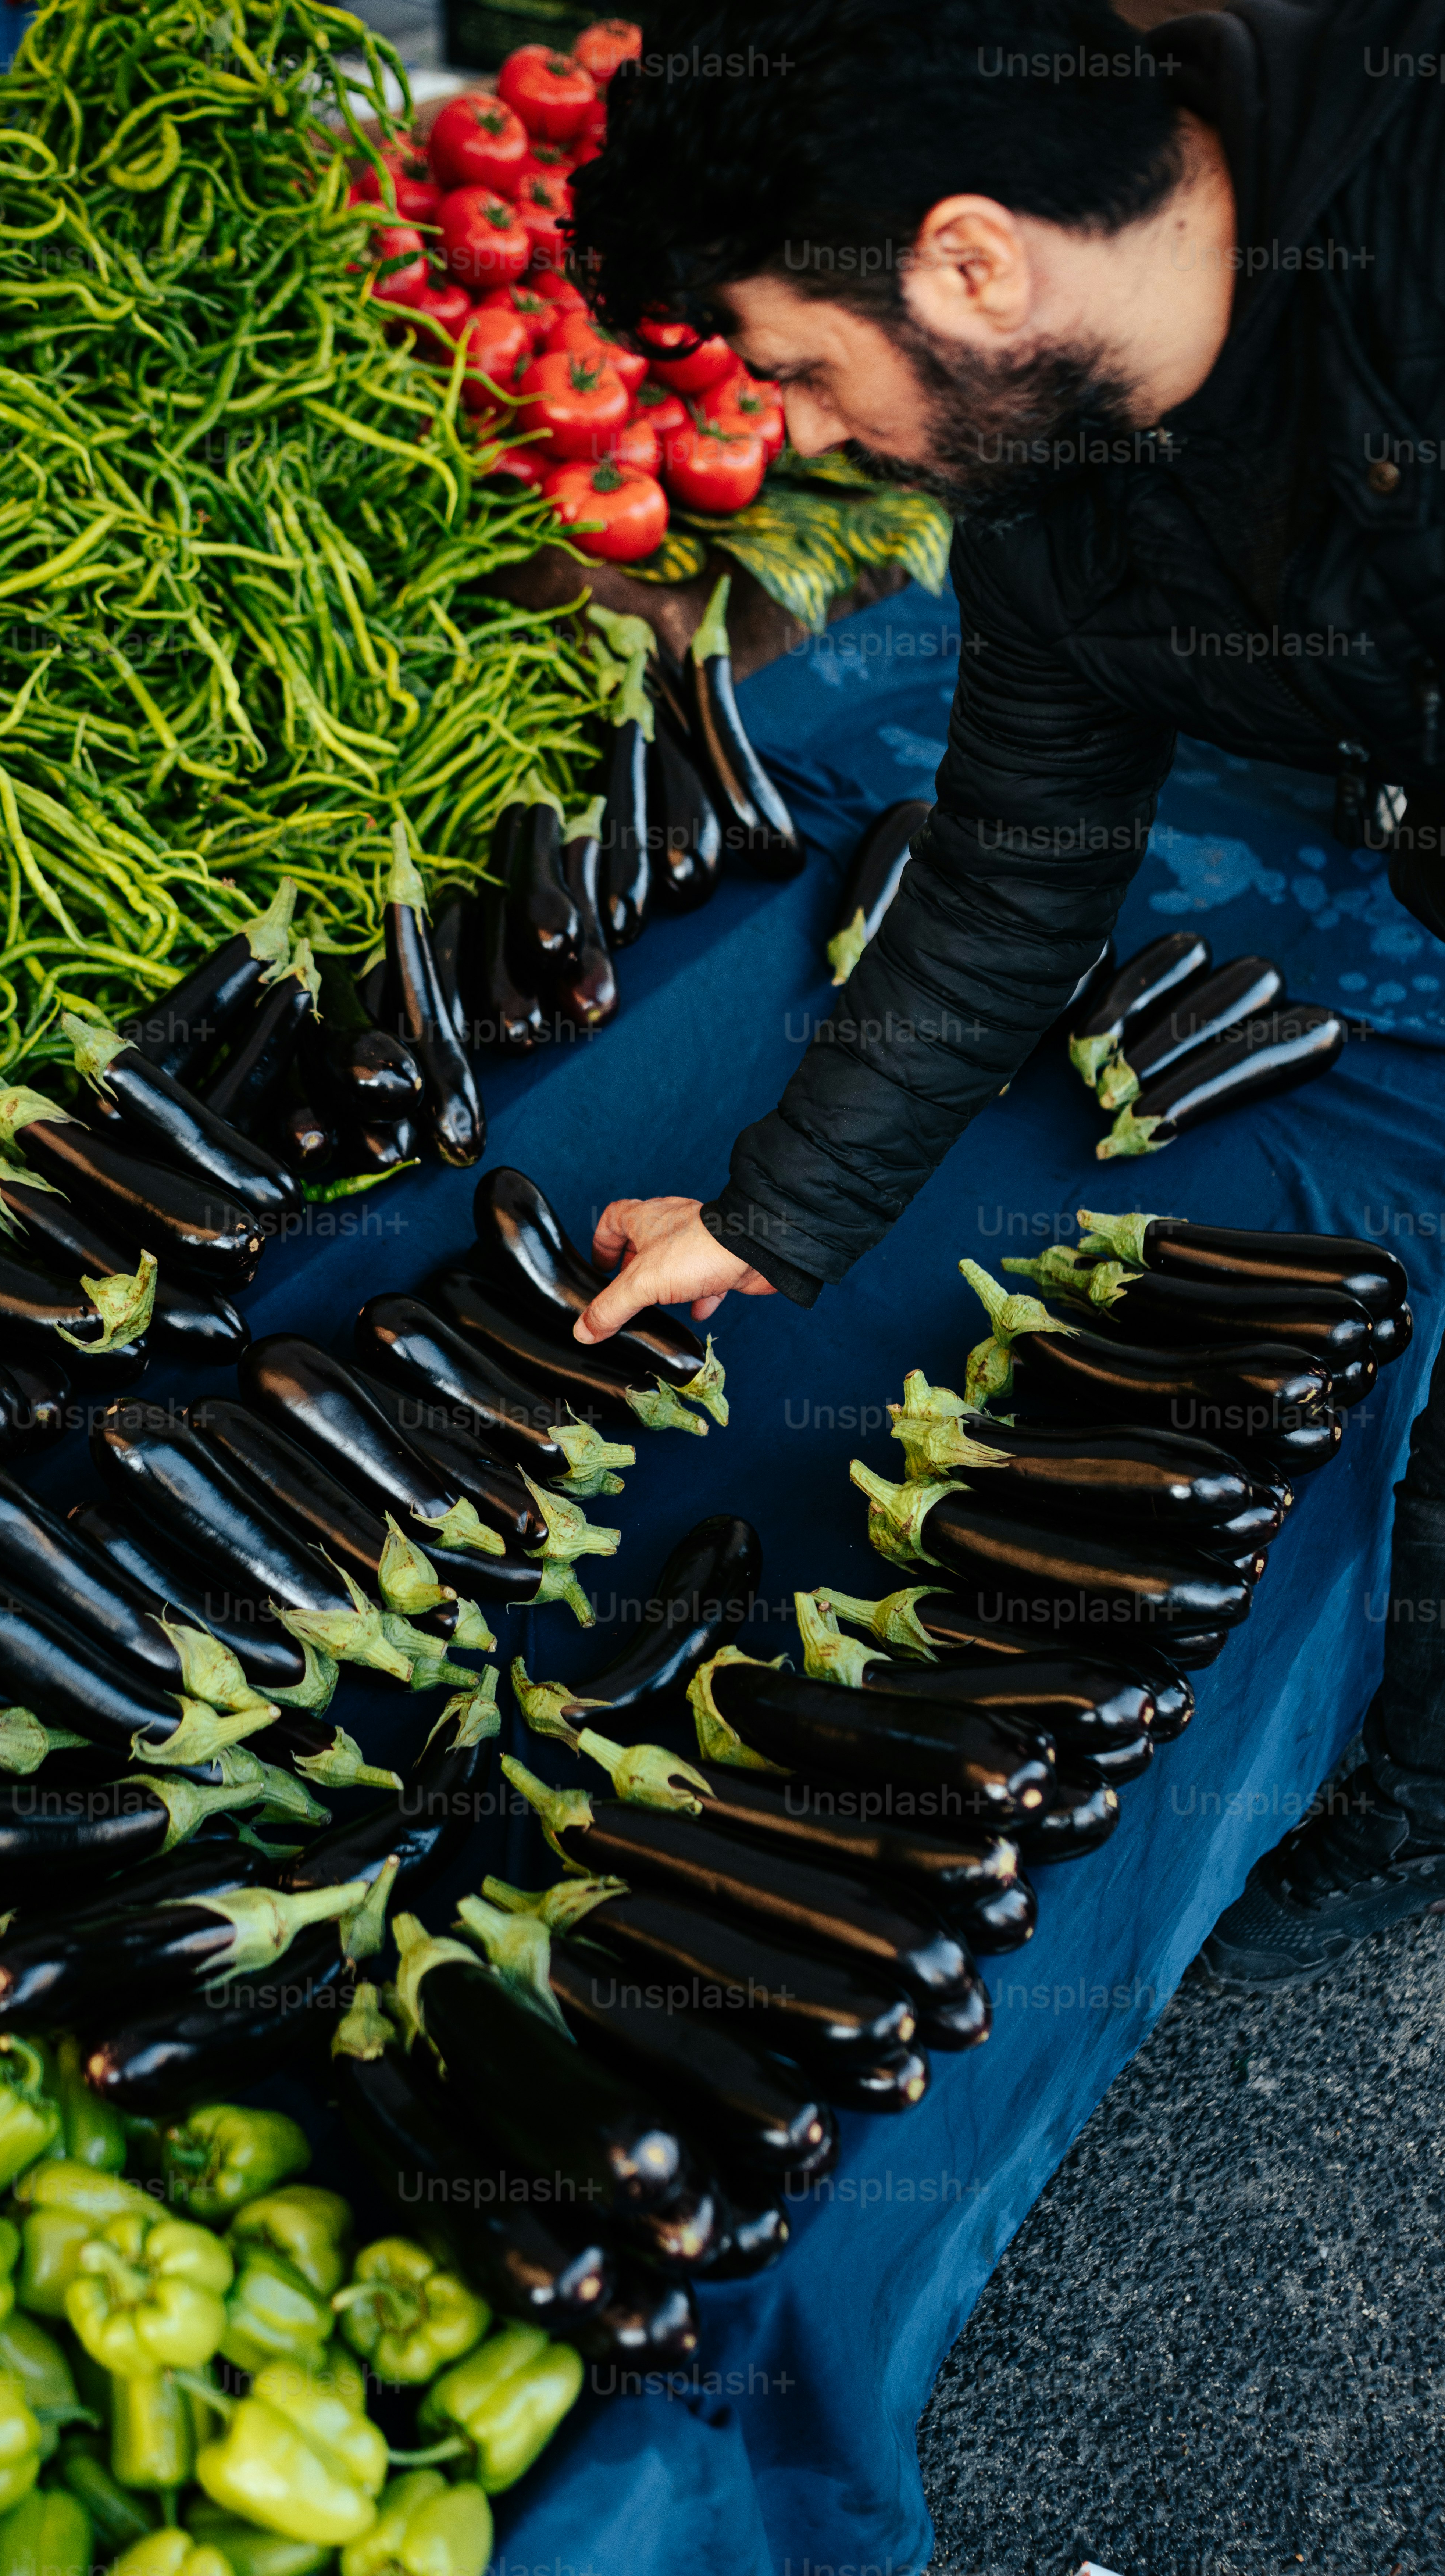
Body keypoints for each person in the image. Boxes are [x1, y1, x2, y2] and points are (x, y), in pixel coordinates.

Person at [564, 0, 1445, 1991]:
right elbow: (1011, 874)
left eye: (799, 362)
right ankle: (1417, 1777)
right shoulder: (1057, 490)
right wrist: (773, 1215)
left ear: (970, 259)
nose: (787, 435)